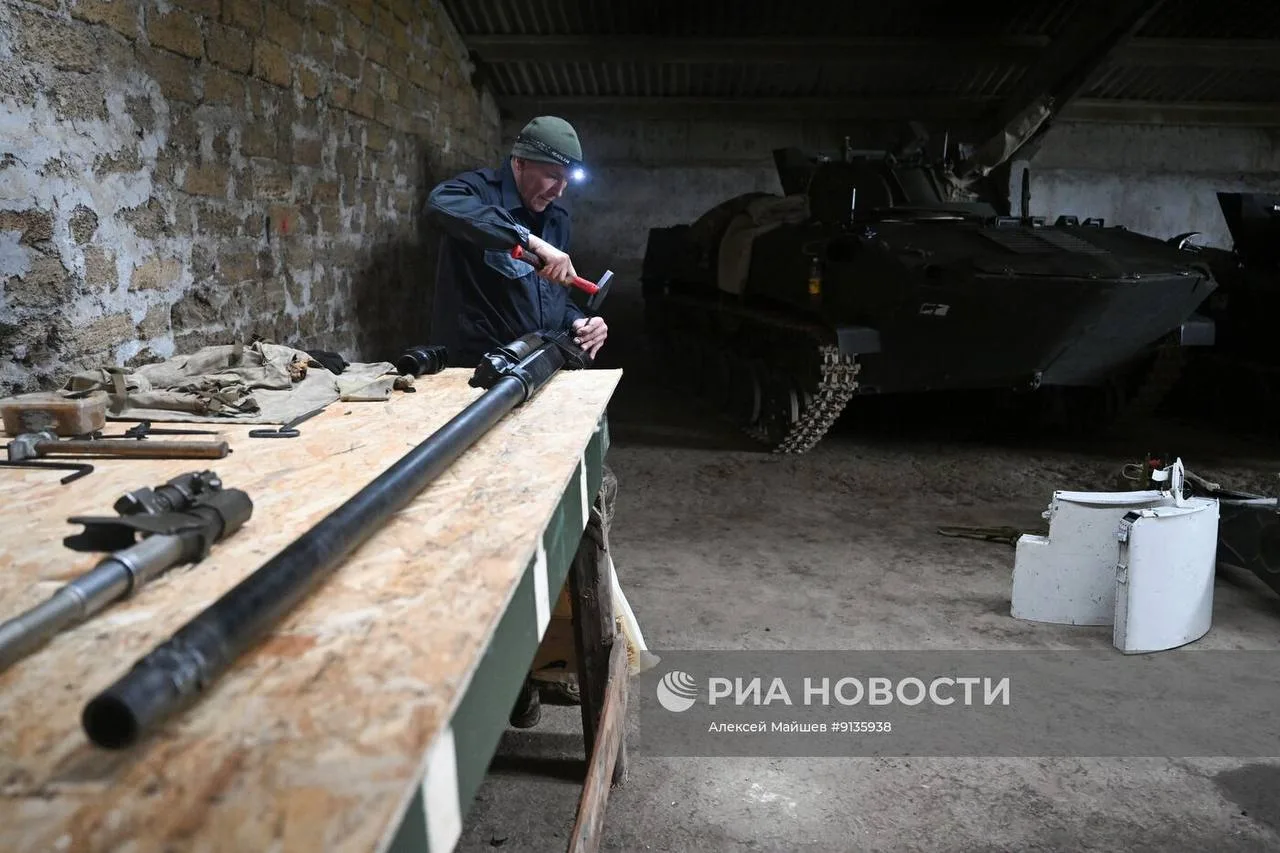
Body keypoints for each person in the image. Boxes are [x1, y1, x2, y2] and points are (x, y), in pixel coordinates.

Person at [423, 115, 608, 368]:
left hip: (535, 366)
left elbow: (553, 299)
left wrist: (577, 321)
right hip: (472, 370)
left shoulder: (557, 221)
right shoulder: (480, 192)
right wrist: (527, 239)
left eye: (566, 180)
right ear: (520, 162)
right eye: (553, 176)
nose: (559, 191)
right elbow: (438, 204)